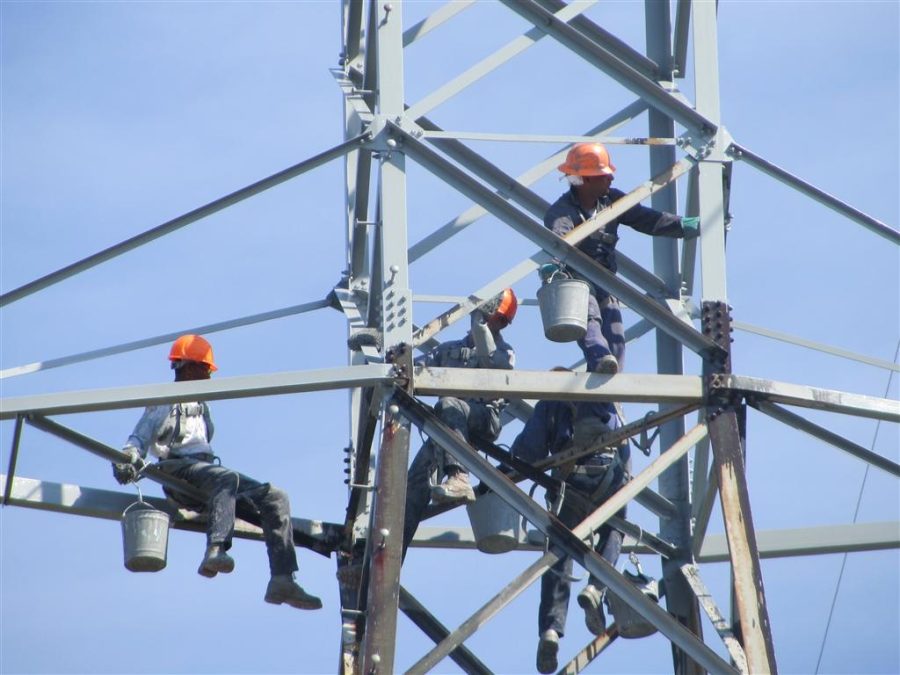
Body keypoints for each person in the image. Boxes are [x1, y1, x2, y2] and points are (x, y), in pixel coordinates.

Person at [112, 334, 322, 611]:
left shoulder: (202, 407)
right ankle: (216, 550)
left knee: (275, 497)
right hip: (178, 472)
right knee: (226, 479)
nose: (210, 376)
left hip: (207, 472)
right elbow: (139, 436)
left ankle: (282, 579)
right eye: (205, 369)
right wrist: (128, 459)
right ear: (188, 368)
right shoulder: (166, 401)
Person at [543, 142, 699, 374]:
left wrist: (681, 225)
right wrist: (551, 268)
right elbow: (557, 242)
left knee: (615, 334)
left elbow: (644, 218)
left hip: (606, 281)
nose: (610, 179)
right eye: (603, 176)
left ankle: (607, 383)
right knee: (590, 318)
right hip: (579, 281)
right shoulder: (562, 212)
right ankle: (599, 360)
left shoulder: (611, 200)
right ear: (585, 180)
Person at [510, 389, 629, 674]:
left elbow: (528, 451)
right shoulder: (607, 397)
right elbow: (625, 450)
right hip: (608, 476)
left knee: (559, 550)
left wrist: (505, 468)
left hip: (571, 481)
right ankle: (596, 587)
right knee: (615, 528)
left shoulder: (549, 404)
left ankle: (550, 630)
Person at [401, 289, 518, 558]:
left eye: (499, 320)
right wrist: (392, 358)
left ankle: (459, 477)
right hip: (450, 428)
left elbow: (495, 366)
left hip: (483, 419)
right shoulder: (449, 350)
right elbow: (411, 370)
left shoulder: (505, 352)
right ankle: (392, 555)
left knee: (449, 403)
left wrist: (480, 327)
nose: (494, 323)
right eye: (493, 318)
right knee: (413, 485)